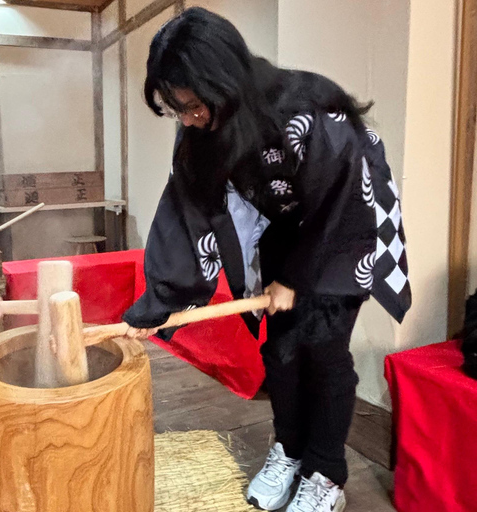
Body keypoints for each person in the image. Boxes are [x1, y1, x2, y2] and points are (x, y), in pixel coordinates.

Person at [122, 8, 412, 512]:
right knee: (280, 349)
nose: (187, 120)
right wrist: (157, 306)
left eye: (192, 106)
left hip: (349, 228)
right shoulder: (202, 129)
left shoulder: (310, 110)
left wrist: (296, 279)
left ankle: (326, 472)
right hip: (286, 229)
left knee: (322, 348)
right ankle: (289, 449)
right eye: (177, 109)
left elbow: (345, 200)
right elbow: (186, 210)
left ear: (222, 82)